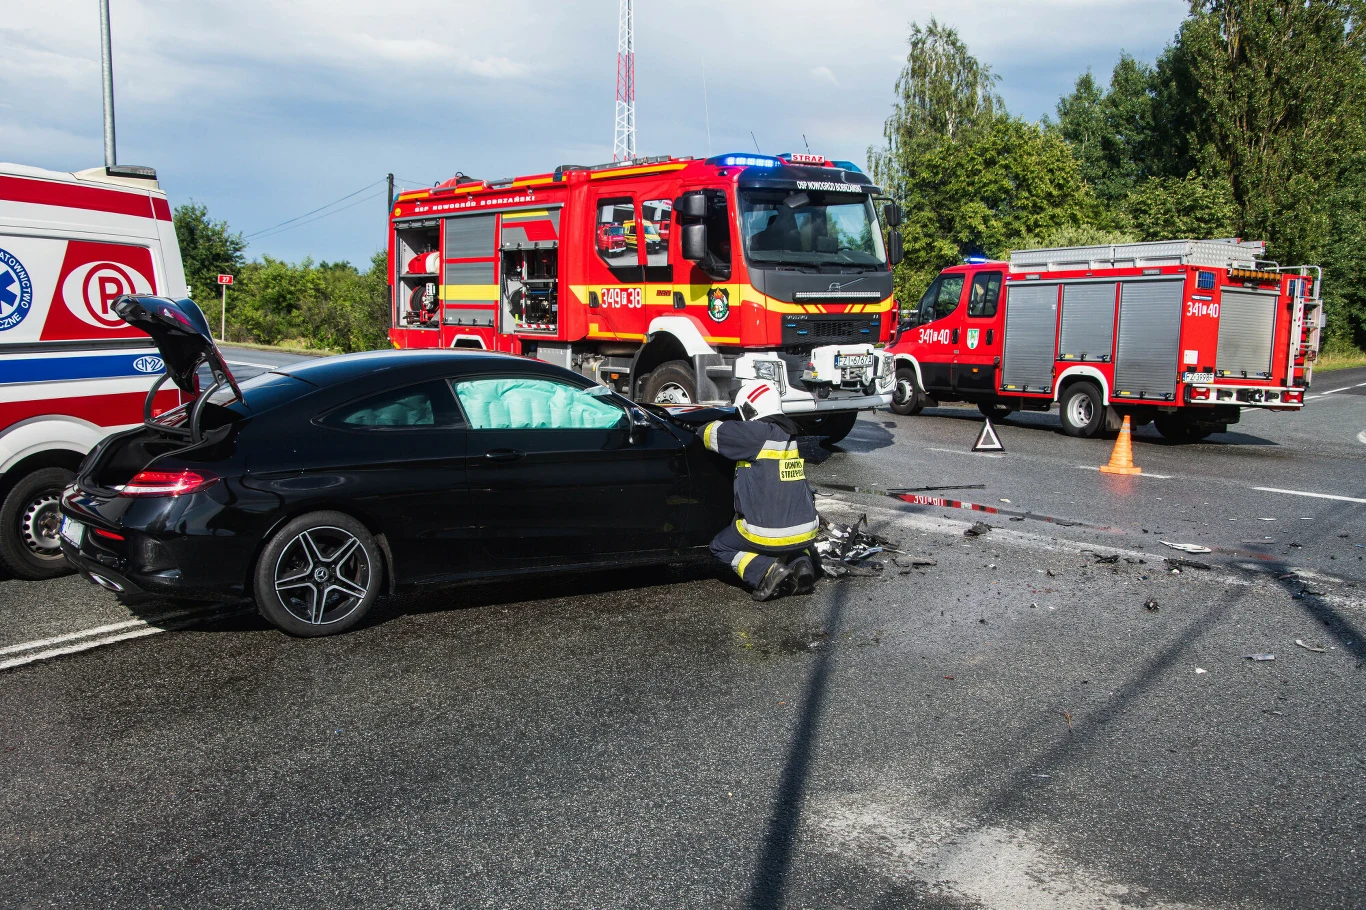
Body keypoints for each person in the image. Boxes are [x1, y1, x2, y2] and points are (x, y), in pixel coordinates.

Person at [700, 381, 820, 601]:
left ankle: (766, 572)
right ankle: (801, 564)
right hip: (807, 530)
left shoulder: (755, 434)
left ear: (750, 408)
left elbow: (708, 434)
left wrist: (699, 423)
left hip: (767, 533)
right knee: (793, 541)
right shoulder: (790, 432)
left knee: (720, 546)